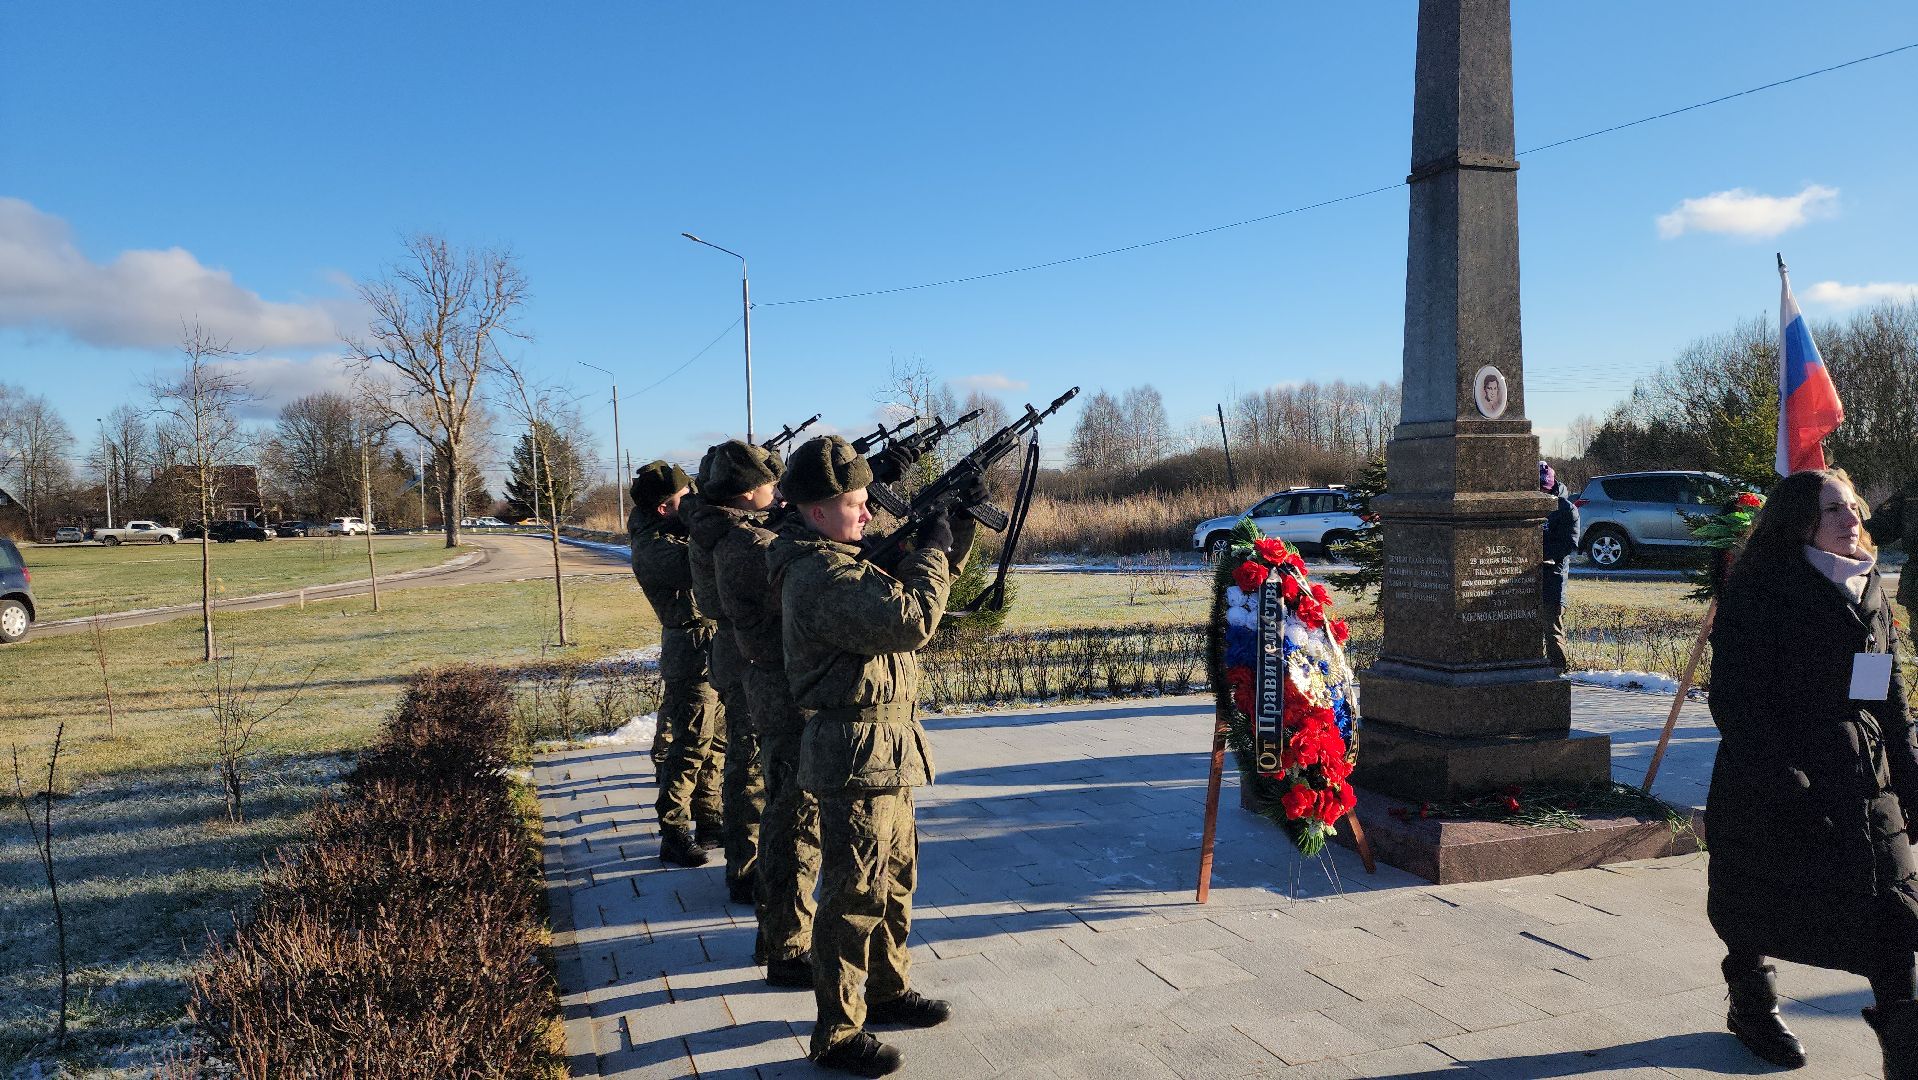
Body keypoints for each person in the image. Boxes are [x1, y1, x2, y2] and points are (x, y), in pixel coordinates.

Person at [766, 435, 974, 1078]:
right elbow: (911, 618)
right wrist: (932, 551)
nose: (868, 511)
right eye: (855, 502)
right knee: (853, 893)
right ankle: (837, 1031)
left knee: (894, 881)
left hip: (886, 748)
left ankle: (886, 990)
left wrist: (956, 530)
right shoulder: (820, 575)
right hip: (854, 752)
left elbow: (919, 587)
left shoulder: (846, 559)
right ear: (816, 510)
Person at [1706, 468, 1918, 1076]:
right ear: (1799, 522)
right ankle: (1751, 1003)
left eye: (1853, 506)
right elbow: (1735, 701)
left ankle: (1904, 1050)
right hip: (1776, 778)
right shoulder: (1761, 588)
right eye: (1832, 510)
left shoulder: (1868, 585)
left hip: (1864, 774)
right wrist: (1785, 777)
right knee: (1758, 898)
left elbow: (1884, 692)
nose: (1851, 519)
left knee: (1894, 911)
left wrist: (1910, 773)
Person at [712, 445, 821, 990]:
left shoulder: (738, 535)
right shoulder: (748, 545)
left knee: (786, 814)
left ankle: (778, 937)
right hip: (781, 691)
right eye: (770, 486)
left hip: (774, 684)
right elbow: (799, 584)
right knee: (793, 821)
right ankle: (787, 948)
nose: (776, 494)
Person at [629, 460, 725, 869]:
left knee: (716, 741)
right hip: (690, 648)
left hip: (712, 642)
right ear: (664, 508)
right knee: (689, 744)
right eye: (686, 499)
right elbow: (704, 565)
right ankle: (673, 830)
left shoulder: (672, 528)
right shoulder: (653, 549)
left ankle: (710, 817)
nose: (693, 504)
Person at [686, 444, 767, 907]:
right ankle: (747, 867)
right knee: (750, 767)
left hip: (732, 652)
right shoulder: (736, 536)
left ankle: (745, 862)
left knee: (744, 761)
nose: (776, 491)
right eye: (769, 483)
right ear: (747, 492)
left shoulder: (711, 523)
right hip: (746, 656)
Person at [1539, 461, 1578, 671]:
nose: (1542, 494)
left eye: (1545, 489)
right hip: (1527, 578)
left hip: (1553, 577)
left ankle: (1558, 670)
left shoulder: (1566, 509)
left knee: (1552, 627)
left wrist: (1542, 554)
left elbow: (1569, 544)